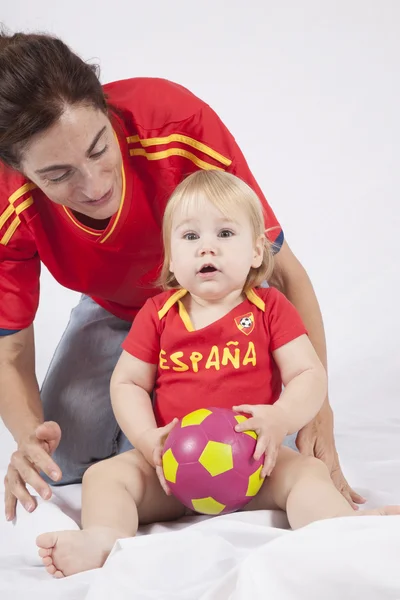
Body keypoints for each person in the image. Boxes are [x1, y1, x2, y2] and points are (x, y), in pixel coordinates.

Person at [0, 30, 362, 523]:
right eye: (59, 175)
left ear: (105, 107)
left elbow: (284, 272)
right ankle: (158, 409)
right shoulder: (10, 204)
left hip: (221, 305)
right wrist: (28, 439)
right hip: (114, 312)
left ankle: (185, 402)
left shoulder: (174, 121)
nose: (95, 184)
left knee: (262, 448)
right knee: (61, 463)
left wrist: (317, 410)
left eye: (98, 148)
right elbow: (11, 348)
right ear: (19, 170)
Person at [36, 171, 400, 578]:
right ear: (171, 258)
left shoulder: (269, 308)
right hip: (172, 471)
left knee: (308, 475)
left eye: (225, 233)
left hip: (259, 468)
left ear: (257, 251)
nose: (207, 247)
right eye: (190, 237)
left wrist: (279, 419)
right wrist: (144, 438)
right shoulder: (158, 314)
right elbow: (128, 383)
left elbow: (308, 375)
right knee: (105, 476)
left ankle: (341, 530)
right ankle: (104, 538)